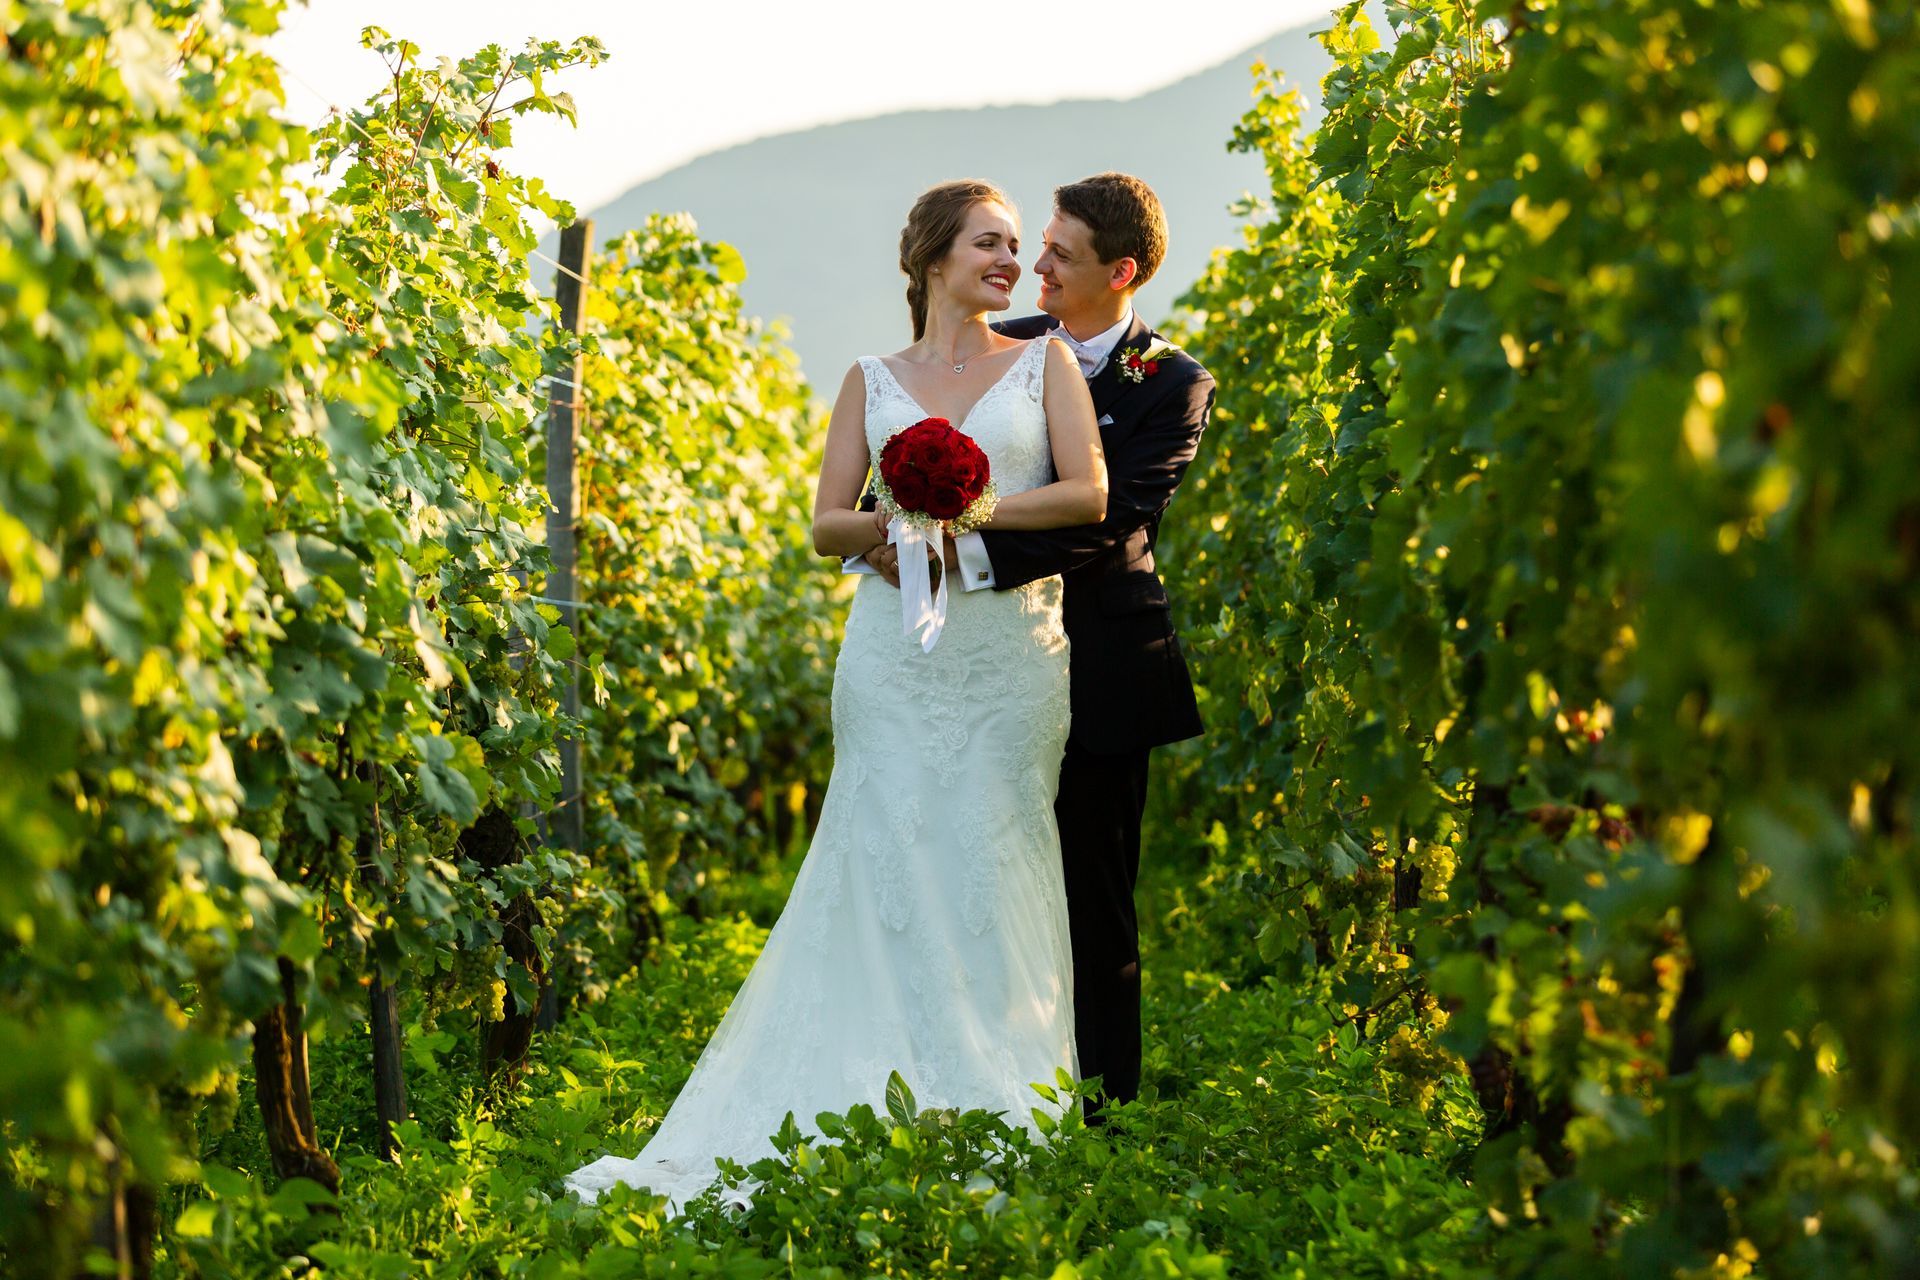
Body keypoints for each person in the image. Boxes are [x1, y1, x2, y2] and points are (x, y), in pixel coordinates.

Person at [565, 179, 1108, 1211]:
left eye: (1014, 246)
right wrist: (899, 519)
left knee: (994, 856)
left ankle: (996, 1102)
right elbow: (826, 522)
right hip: (891, 658)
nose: (1011, 262)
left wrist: (968, 509)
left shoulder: (1046, 364)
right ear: (934, 258)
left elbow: (1089, 492)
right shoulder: (871, 378)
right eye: (989, 244)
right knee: (883, 850)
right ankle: (868, 1090)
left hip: (1008, 659)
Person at [854, 172, 1214, 1118]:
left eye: (1059, 253)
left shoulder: (1175, 382)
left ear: (1120, 272)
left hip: (1098, 661)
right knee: (975, 874)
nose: (1035, 265)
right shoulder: (999, 342)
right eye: (1036, 244)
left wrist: (956, 547)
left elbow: (1115, 516)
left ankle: (1101, 1110)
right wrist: (897, 535)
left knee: (1094, 894)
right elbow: (888, 480)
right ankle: (970, 1084)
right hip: (976, 660)